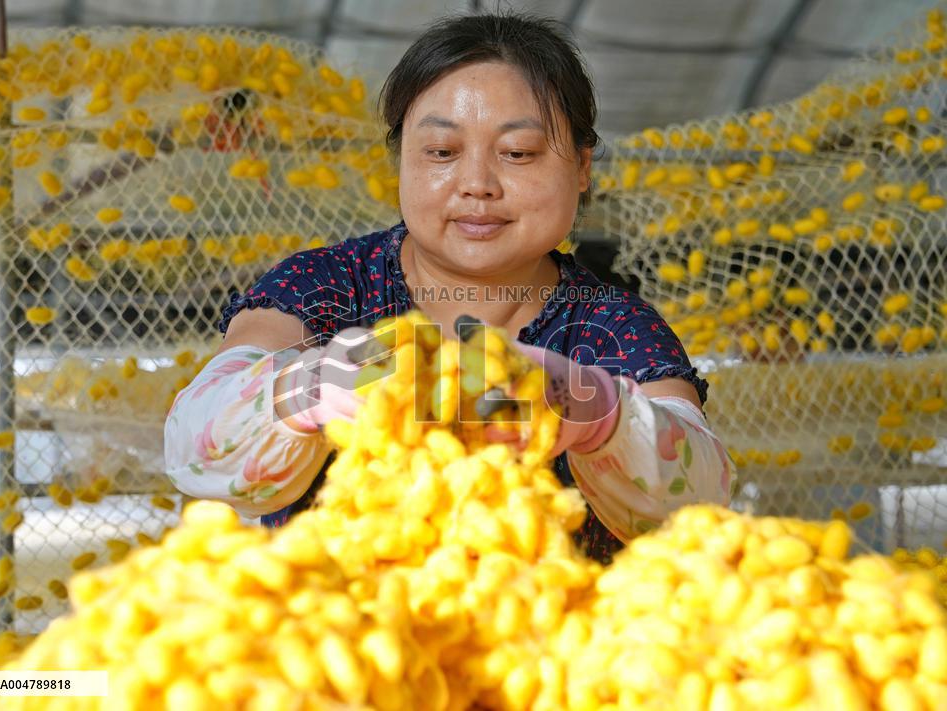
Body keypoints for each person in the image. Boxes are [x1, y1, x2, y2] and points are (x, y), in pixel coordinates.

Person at [163, 12, 736, 563]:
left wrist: (601, 415)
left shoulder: (610, 325)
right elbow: (194, 448)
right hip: (347, 636)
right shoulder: (323, 288)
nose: (477, 185)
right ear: (402, 162)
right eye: (441, 153)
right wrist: (307, 390)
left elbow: (701, 504)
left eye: (518, 154)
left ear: (582, 167)